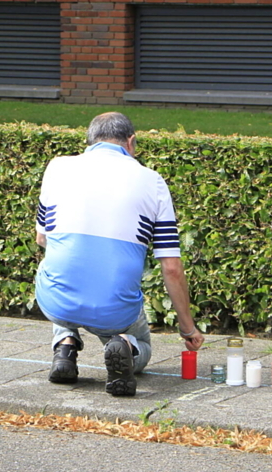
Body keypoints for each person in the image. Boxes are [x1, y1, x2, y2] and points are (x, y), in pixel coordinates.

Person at [34, 112, 204, 396]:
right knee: (142, 344)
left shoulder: (57, 167)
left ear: (90, 141)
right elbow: (171, 267)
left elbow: (42, 239)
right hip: (115, 312)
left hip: (57, 302)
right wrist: (188, 329)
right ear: (131, 142)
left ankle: (65, 344)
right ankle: (126, 345)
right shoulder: (152, 181)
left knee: (54, 265)